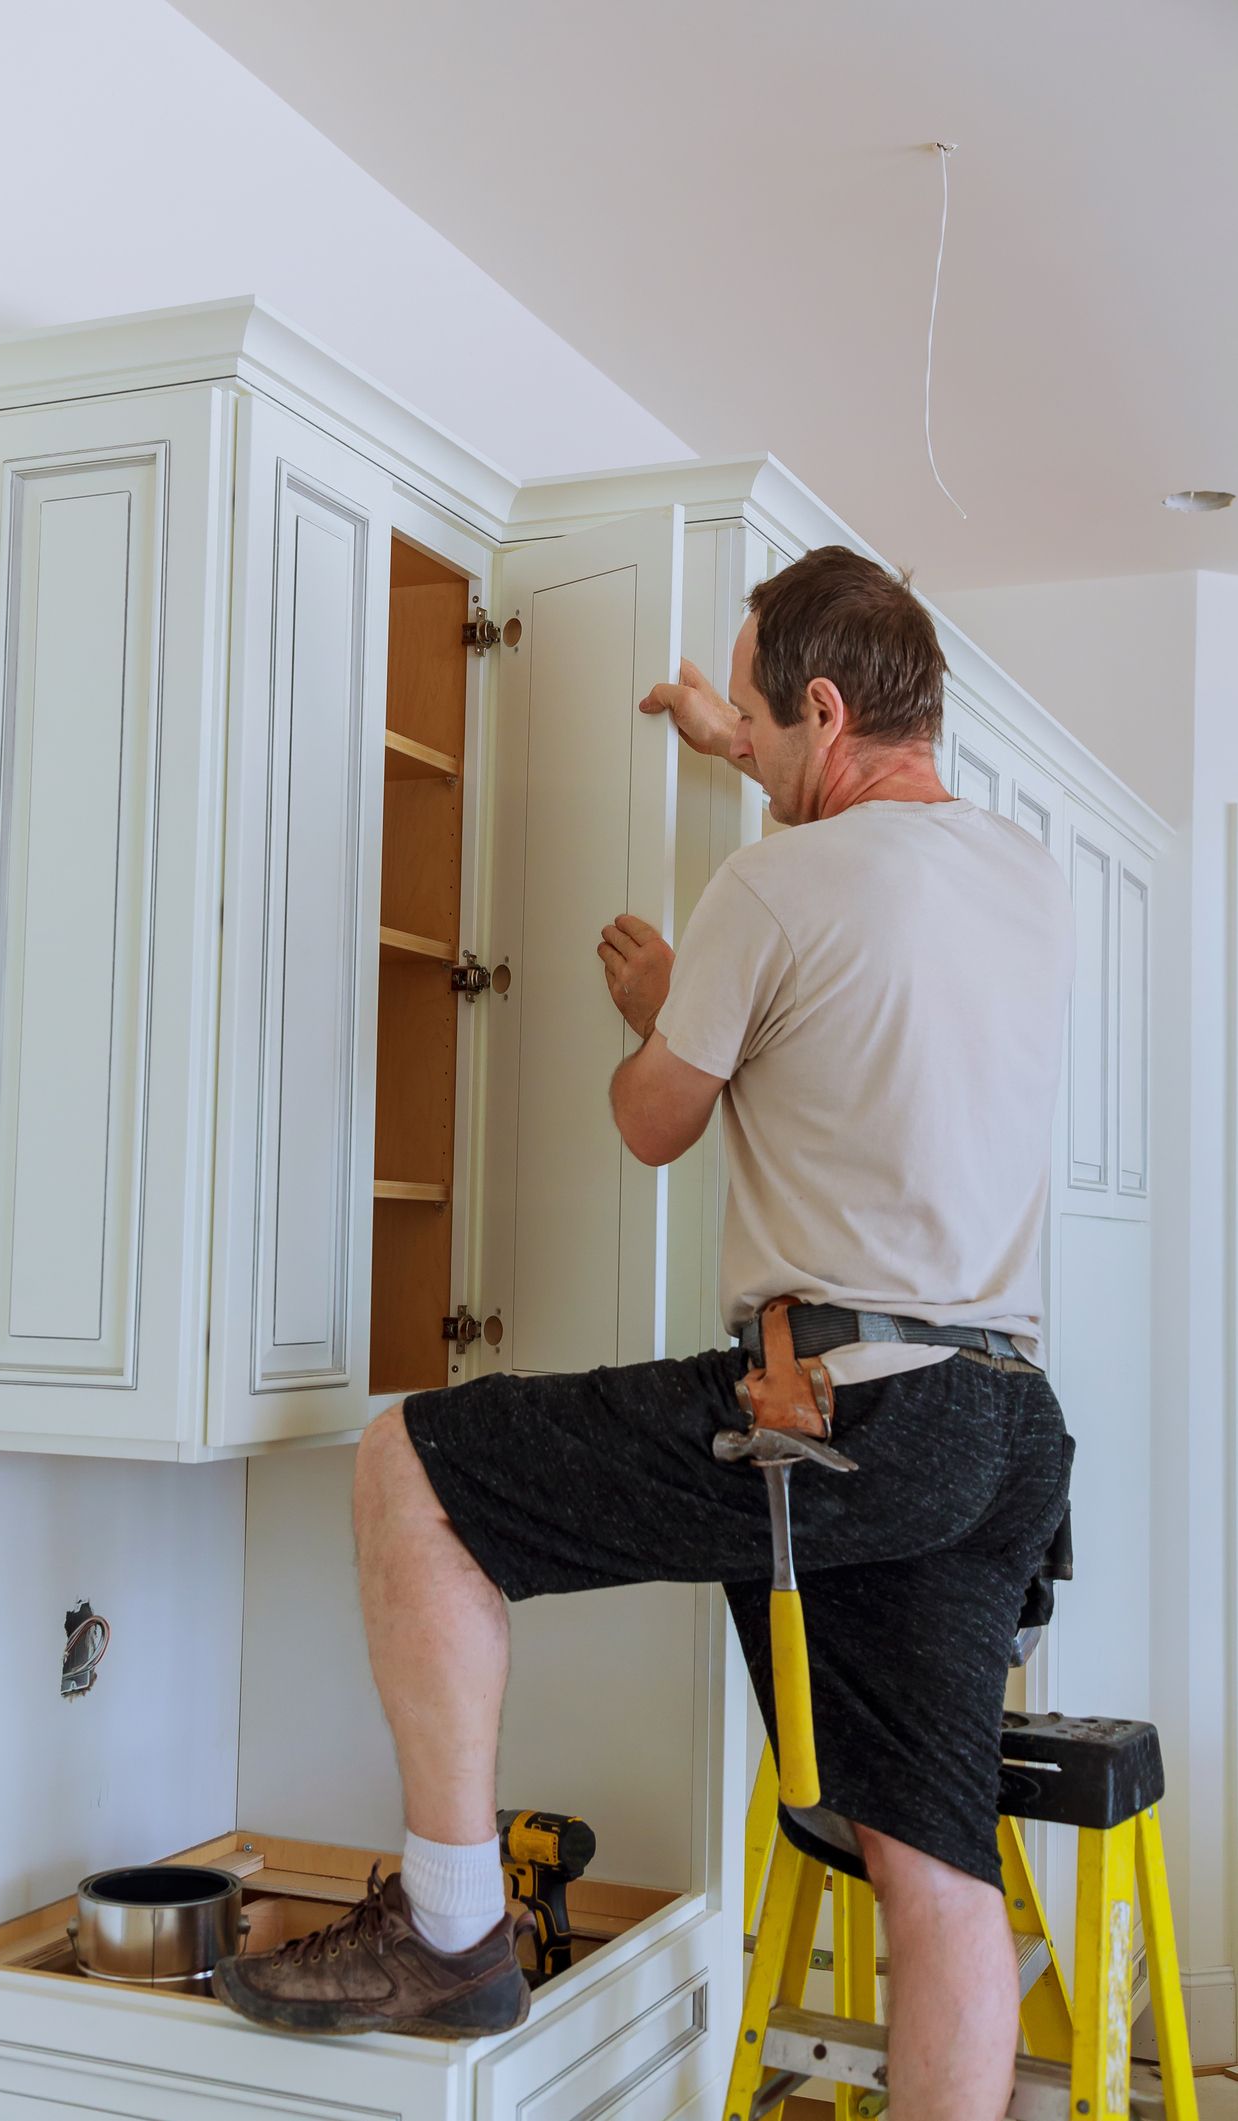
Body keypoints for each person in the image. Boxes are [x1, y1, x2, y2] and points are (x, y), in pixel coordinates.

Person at [214, 546, 1076, 2121]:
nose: (737, 738)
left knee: (416, 1457)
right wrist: (732, 740)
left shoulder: (765, 890)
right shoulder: (1024, 872)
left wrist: (665, 1008)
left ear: (819, 707)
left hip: (841, 1404)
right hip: (1002, 1423)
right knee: (935, 1868)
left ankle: (453, 1926)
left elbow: (652, 1123)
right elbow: (852, 887)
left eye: (754, 714)